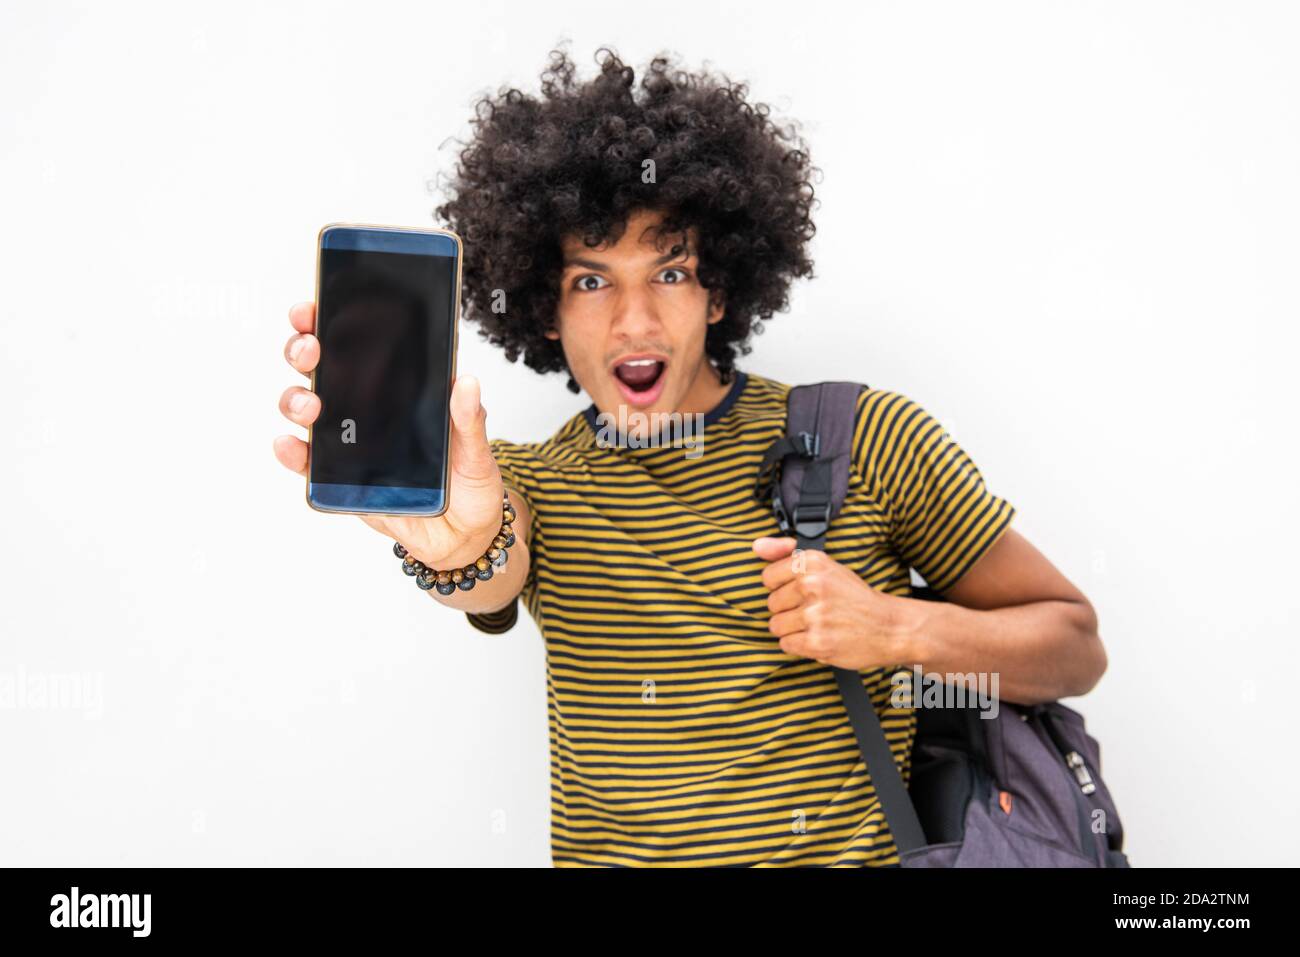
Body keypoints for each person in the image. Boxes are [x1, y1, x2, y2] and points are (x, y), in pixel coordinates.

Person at [273, 47, 1106, 867]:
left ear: (720, 289)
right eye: (592, 282)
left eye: (669, 271)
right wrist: (462, 549)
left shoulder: (869, 439)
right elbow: (493, 549)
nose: (634, 322)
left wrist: (896, 629)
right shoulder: (536, 484)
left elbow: (1074, 647)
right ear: (545, 310)